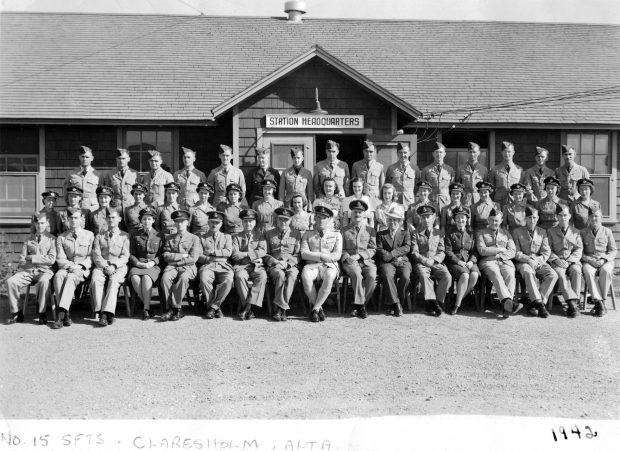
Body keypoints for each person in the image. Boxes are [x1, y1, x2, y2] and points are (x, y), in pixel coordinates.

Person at [5, 212, 56, 325]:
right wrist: (29, 262)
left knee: (44, 281)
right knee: (11, 282)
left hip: (44, 271)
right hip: (28, 271)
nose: (40, 225)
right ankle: (16, 313)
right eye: (37, 223)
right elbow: (22, 260)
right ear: (34, 224)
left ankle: (42, 313)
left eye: (42, 223)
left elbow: (51, 259)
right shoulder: (28, 240)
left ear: (47, 223)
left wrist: (32, 258)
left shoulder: (52, 239)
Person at [52, 208, 95, 329]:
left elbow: (92, 256)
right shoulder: (62, 237)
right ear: (67, 220)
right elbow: (60, 258)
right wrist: (71, 266)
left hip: (82, 268)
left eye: (76, 218)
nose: (73, 220)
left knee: (70, 277)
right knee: (58, 276)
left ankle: (60, 315)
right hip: (67, 266)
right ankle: (67, 314)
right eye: (71, 218)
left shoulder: (89, 235)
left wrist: (80, 266)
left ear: (82, 219)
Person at [511, 207, 558, 318]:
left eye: (534, 218)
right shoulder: (517, 232)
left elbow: (546, 252)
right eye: (530, 217)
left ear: (537, 219)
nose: (532, 220)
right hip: (523, 262)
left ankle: (536, 303)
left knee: (553, 275)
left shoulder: (542, 232)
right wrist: (528, 260)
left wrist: (537, 260)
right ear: (525, 219)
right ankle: (540, 306)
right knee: (528, 272)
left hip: (538, 262)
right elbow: (516, 252)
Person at [300, 205, 342, 322]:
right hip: (312, 266)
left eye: (324, 218)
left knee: (329, 275)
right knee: (305, 276)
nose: (321, 220)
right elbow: (304, 253)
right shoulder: (307, 234)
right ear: (314, 219)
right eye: (318, 217)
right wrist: (321, 256)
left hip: (330, 265)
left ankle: (315, 309)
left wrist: (323, 259)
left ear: (329, 220)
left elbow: (337, 255)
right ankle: (319, 308)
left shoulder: (336, 235)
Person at [160, 210, 201, 321]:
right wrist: (182, 255)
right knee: (165, 279)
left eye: (182, 222)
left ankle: (175, 308)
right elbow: (166, 255)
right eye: (177, 222)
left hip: (188, 267)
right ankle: (170, 309)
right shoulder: (169, 238)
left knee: (183, 278)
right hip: (172, 267)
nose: (180, 224)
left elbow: (193, 258)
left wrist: (177, 261)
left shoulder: (194, 238)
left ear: (187, 223)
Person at [91, 208, 130, 326]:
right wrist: (105, 266)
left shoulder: (125, 236)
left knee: (114, 281)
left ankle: (105, 314)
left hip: (119, 266)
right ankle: (103, 311)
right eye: (109, 218)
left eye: (113, 217)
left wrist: (114, 265)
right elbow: (96, 255)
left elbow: (125, 255)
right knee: (96, 279)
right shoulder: (99, 236)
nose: (111, 220)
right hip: (102, 266)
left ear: (119, 219)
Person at [410, 205, 452, 316]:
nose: (426, 220)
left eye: (428, 217)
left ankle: (436, 302)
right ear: (420, 219)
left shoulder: (438, 233)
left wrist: (433, 260)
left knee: (447, 276)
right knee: (424, 276)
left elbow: (442, 251)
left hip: (435, 262)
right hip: (421, 263)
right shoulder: (415, 233)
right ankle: (434, 303)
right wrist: (424, 260)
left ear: (433, 218)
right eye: (423, 217)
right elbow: (414, 252)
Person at [476, 208, 517, 318]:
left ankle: (506, 306)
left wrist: (501, 256)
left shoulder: (506, 234)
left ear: (501, 221)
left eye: (497, 220)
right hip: (488, 262)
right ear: (488, 220)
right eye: (492, 220)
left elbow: (512, 251)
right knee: (496, 274)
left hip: (504, 261)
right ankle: (509, 303)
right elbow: (482, 250)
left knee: (510, 274)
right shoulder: (481, 233)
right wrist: (498, 250)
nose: (494, 223)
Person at [264, 207, 302, 321]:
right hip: (275, 265)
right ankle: (283, 308)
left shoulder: (296, 234)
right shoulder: (269, 233)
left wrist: (288, 264)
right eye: (281, 220)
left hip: (290, 265)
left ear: (290, 221)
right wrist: (274, 262)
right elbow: (265, 253)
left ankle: (280, 309)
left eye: (286, 220)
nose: (283, 222)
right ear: (277, 220)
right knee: (279, 275)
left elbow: (298, 254)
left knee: (292, 276)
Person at [341, 200, 377, 319]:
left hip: (365, 261)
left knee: (372, 276)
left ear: (364, 214)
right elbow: (341, 249)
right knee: (357, 274)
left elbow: (373, 249)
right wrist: (348, 257)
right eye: (355, 212)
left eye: (360, 212)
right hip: (350, 261)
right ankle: (361, 307)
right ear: (351, 213)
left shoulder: (370, 230)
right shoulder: (344, 230)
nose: (357, 214)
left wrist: (360, 256)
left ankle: (359, 305)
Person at [547, 204, 583, 317]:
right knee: (561, 274)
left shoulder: (576, 232)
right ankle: (571, 304)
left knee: (576, 271)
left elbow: (578, 249)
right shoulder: (550, 231)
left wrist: (570, 261)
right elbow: (547, 249)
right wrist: (557, 260)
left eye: (565, 215)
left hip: (572, 261)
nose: (563, 218)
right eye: (561, 215)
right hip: (557, 262)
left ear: (570, 216)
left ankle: (575, 302)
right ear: (557, 217)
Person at [231, 209, 268, 320]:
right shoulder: (236, 237)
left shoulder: (260, 236)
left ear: (255, 222)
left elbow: (262, 251)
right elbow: (235, 255)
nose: (248, 224)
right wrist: (252, 255)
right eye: (246, 221)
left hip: (257, 266)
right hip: (241, 266)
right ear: (242, 222)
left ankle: (247, 308)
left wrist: (245, 255)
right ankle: (249, 308)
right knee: (239, 276)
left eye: (251, 221)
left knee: (263, 276)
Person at [580, 207, 617, 317]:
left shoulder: (607, 231)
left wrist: (604, 259)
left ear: (601, 217)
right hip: (589, 260)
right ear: (588, 218)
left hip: (605, 260)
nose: (594, 218)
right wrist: (589, 259)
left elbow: (613, 250)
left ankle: (599, 302)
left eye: (596, 216)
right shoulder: (583, 232)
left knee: (606, 270)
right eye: (591, 216)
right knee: (587, 271)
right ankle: (600, 303)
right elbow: (579, 252)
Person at [375, 204, 411, 316]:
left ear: (400, 221)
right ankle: (396, 304)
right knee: (387, 275)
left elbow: (407, 247)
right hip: (387, 263)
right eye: (390, 220)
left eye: (395, 220)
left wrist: (392, 254)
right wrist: (388, 256)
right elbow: (379, 249)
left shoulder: (405, 233)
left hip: (402, 261)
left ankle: (398, 301)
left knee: (405, 276)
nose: (392, 223)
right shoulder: (381, 234)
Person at [197, 210, 234, 319]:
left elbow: (228, 252)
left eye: (217, 223)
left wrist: (213, 252)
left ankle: (212, 308)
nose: (214, 225)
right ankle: (216, 308)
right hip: (208, 265)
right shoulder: (202, 238)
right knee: (204, 279)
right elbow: (199, 256)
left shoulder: (227, 237)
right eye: (212, 222)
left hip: (224, 266)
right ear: (208, 223)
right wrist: (213, 258)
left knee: (228, 280)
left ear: (221, 224)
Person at [444, 206, 479, 315]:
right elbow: (448, 251)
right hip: (455, 262)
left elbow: (474, 250)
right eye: (458, 218)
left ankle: (458, 299)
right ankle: (457, 305)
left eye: (463, 218)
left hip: (468, 261)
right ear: (454, 219)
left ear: (467, 219)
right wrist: (458, 262)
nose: (460, 220)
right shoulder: (450, 232)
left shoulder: (471, 232)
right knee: (465, 275)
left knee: (475, 275)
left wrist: (471, 261)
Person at [128, 207, 162, 321]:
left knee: (147, 278)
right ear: (141, 221)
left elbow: (162, 254)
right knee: (134, 278)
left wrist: (153, 262)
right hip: (138, 264)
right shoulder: (135, 235)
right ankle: (148, 306)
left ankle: (146, 309)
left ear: (153, 220)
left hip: (153, 265)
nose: (146, 221)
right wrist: (137, 263)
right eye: (144, 219)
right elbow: (131, 253)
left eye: (149, 219)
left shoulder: (159, 235)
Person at [63, 146, 101, 211]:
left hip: (92, 209)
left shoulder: (98, 175)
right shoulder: (71, 174)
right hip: (76, 208)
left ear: (92, 158)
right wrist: (70, 205)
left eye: (87, 157)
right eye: (82, 156)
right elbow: (66, 192)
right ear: (79, 157)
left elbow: (101, 194)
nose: (85, 159)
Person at [421, 141, 455, 211]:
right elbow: (422, 188)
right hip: (431, 202)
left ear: (444, 154)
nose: (438, 154)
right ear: (433, 154)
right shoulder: (426, 170)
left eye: (440, 152)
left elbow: (452, 188)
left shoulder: (450, 170)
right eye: (436, 152)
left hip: (446, 203)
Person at [488, 141, 523, 206]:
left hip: (514, 203)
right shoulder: (494, 170)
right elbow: (491, 190)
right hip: (499, 203)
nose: (507, 154)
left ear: (513, 152)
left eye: (509, 151)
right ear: (501, 152)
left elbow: (522, 190)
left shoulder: (519, 170)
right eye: (505, 151)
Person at [385, 142, 419, 208]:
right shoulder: (391, 168)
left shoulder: (415, 168)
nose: (403, 155)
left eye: (405, 152)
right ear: (397, 154)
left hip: (410, 203)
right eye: (400, 152)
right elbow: (388, 187)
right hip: (395, 203)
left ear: (409, 153)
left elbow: (417, 188)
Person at [106, 148, 139, 214]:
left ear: (128, 159)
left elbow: (139, 192)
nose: (121, 161)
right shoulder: (110, 174)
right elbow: (107, 192)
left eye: (123, 158)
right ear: (116, 159)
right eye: (119, 158)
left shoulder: (134, 174)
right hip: (115, 207)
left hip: (131, 206)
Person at [455, 142, 488, 207]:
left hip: (479, 200)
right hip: (465, 201)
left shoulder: (484, 169)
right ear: (467, 152)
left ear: (479, 153)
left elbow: (486, 188)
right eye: (470, 152)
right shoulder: (460, 169)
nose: (472, 154)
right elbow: (457, 188)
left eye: (474, 152)